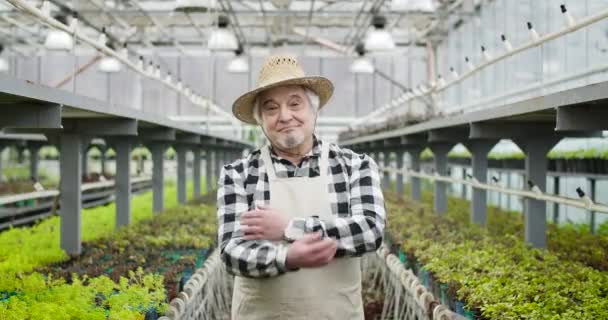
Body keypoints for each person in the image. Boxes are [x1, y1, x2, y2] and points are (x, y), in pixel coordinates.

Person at [217, 54, 386, 320]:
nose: (285, 116)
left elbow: (370, 231)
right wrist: (287, 257)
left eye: (295, 103)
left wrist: (290, 228)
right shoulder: (238, 174)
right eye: (271, 108)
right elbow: (232, 252)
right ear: (260, 119)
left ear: (313, 109)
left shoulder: (355, 166)